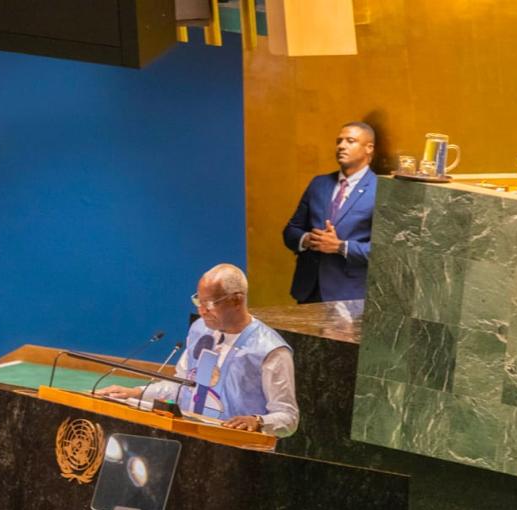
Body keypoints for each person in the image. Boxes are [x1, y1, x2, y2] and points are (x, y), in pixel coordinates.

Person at [99, 264, 298, 438]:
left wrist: (258, 422)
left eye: (210, 304)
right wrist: (135, 393)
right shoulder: (200, 330)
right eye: (198, 301)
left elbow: (288, 418)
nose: (202, 311)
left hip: (238, 451)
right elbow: (181, 387)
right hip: (190, 436)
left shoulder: (270, 350)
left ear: (237, 300)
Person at [282, 121, 377, 303]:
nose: (341, 146)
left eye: (350, 141)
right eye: (339, 141)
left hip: (349, 296)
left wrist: (341, 246)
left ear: (369, 148)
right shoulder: (319, 184)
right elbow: (291, 230)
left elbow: (385, 252)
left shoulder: (379, 190)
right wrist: (307, 240)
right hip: (308, 291)